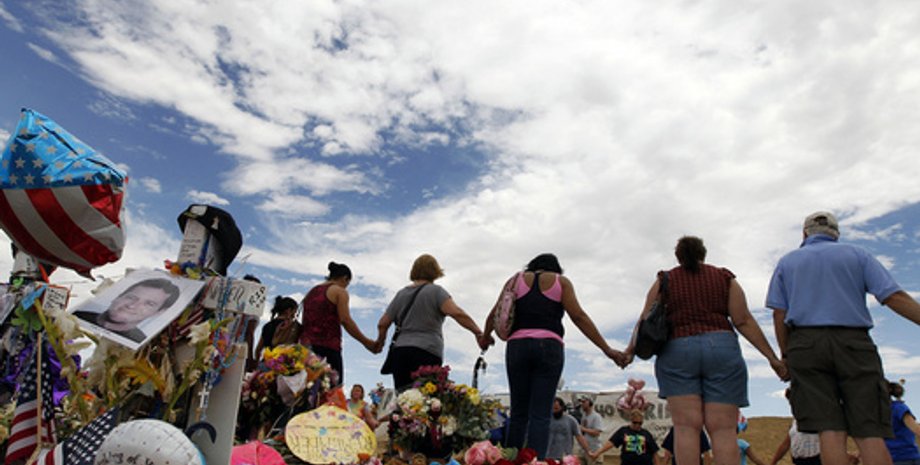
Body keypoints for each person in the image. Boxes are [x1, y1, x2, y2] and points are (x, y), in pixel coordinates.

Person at [767, 212, 920, 465]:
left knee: (828, 429)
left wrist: (786, 355)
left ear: (804, 234)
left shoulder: (787, 262)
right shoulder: (858, 255)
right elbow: (893, 296)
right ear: (836, 234)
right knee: (869, 429)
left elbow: (779, 314)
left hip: (805, 345)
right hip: (853, 342)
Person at [622, 236, 785, 465]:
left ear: (678, 257)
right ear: (703, 254)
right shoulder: (725, 278)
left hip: (677, 350)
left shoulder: (664, 280)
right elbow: (743, 320)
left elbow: (645, 320)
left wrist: (630, 350)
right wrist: (773, 358)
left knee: (686, 427)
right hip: (722, 348)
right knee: (724, 430)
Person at [478, 253, 625, 459]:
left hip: (518, 347)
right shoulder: (561, 282)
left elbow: (495, 313)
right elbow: (578, 316)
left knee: (518, 413)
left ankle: (510, 461)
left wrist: (485, 337)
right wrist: (606, 349)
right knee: (541, 415)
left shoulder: (515, 281)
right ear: (556, 268)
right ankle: (535, 461)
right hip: (549, 347)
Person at [376, 254, 484, 391]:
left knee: (404, 398)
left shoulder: (401, 294)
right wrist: (478, 333)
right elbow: (457, 313)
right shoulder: (437, 292)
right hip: (426, 351)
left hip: (401, 352)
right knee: (426, 397)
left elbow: (382, 323)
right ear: (435, 271)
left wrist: (380, 342)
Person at [300, 262, 379, 385]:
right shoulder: (339, 292)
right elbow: (345, 320)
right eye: (348, 283)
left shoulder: (311, 292)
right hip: (328, 350)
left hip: (305, 351)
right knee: (330, 391)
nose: (346, 287)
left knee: (307, 390)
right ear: (345, 278)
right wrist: (367, 342)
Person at [74, 278, 180, 343]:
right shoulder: (75, 317)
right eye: (131, 297)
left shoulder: (140, 344)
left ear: (158, 312)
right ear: (118, 296)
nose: (132, 306)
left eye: (149, 304)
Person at [770, 389, 821, 465]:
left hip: (817, 460)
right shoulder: (794, 422)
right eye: (791, 403)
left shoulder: (820, 418)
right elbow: (785, 445)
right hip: (799, 462)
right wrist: (773, 462)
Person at [590, 410, 659, 465]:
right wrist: (597, 453)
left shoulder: (646, 434)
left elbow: (655, 452)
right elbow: (611, 443)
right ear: (631, 420)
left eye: (640, 423)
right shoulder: (623, 431)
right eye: (635, 422)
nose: (637, 425)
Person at [885, 381, 920, 465]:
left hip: (905, 458)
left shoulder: (898, 408)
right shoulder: (876, 414)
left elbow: (916, 429)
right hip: (890, 459)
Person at [579, 397, 604, 465]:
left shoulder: (596, 416)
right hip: (584, 450)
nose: (582, 404)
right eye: (581, 402)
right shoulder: (584, 415)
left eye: (584, 402)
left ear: (590, 403)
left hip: (594, 450)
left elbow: (597, 432)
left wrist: (583, 429)